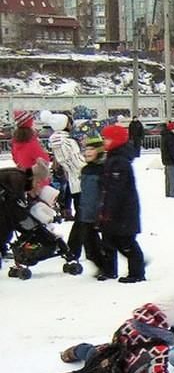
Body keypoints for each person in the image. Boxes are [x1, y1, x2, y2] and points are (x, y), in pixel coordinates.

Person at [31, 300, 174, 373]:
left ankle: (72, 356)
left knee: (91, 351)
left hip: (104, 358)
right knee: (106, 366)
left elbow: (115, 344)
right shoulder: (159, 348)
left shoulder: (129, 324)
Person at [99, 124, 146, 284]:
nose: (104, 142)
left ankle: (137, 271)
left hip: (123, 211)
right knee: (109, 240)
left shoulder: (119, 162)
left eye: (107, 139)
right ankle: (109, 270)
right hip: (116, 210)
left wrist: (108, 210)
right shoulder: (113, 158)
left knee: (126, 242)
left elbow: (116, 189)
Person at [47, 112, 85, 260]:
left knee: (84, 217)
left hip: (72, 182)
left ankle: (88, 247)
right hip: (81, 181)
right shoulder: (69, 142)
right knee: (83, 219)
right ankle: (73, 249)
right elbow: (78, 163)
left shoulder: (56, 142)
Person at [78, 137, 110, 277]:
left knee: (109, 243)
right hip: (87, 211)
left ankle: (108, 269)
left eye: (91, 149)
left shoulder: (103, 169)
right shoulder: (85, 170)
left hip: (101, 211)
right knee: (89, 243)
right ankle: (101, 265)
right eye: (85, 149)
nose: (87, 153)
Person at [160, 122, 174, 198]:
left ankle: (168, 192)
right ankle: (173, 193)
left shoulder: (164, 135)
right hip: (170, 160)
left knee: (168, 178)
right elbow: (172, 151)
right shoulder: (170, 137)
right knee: (173, 178)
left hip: (165, 159)